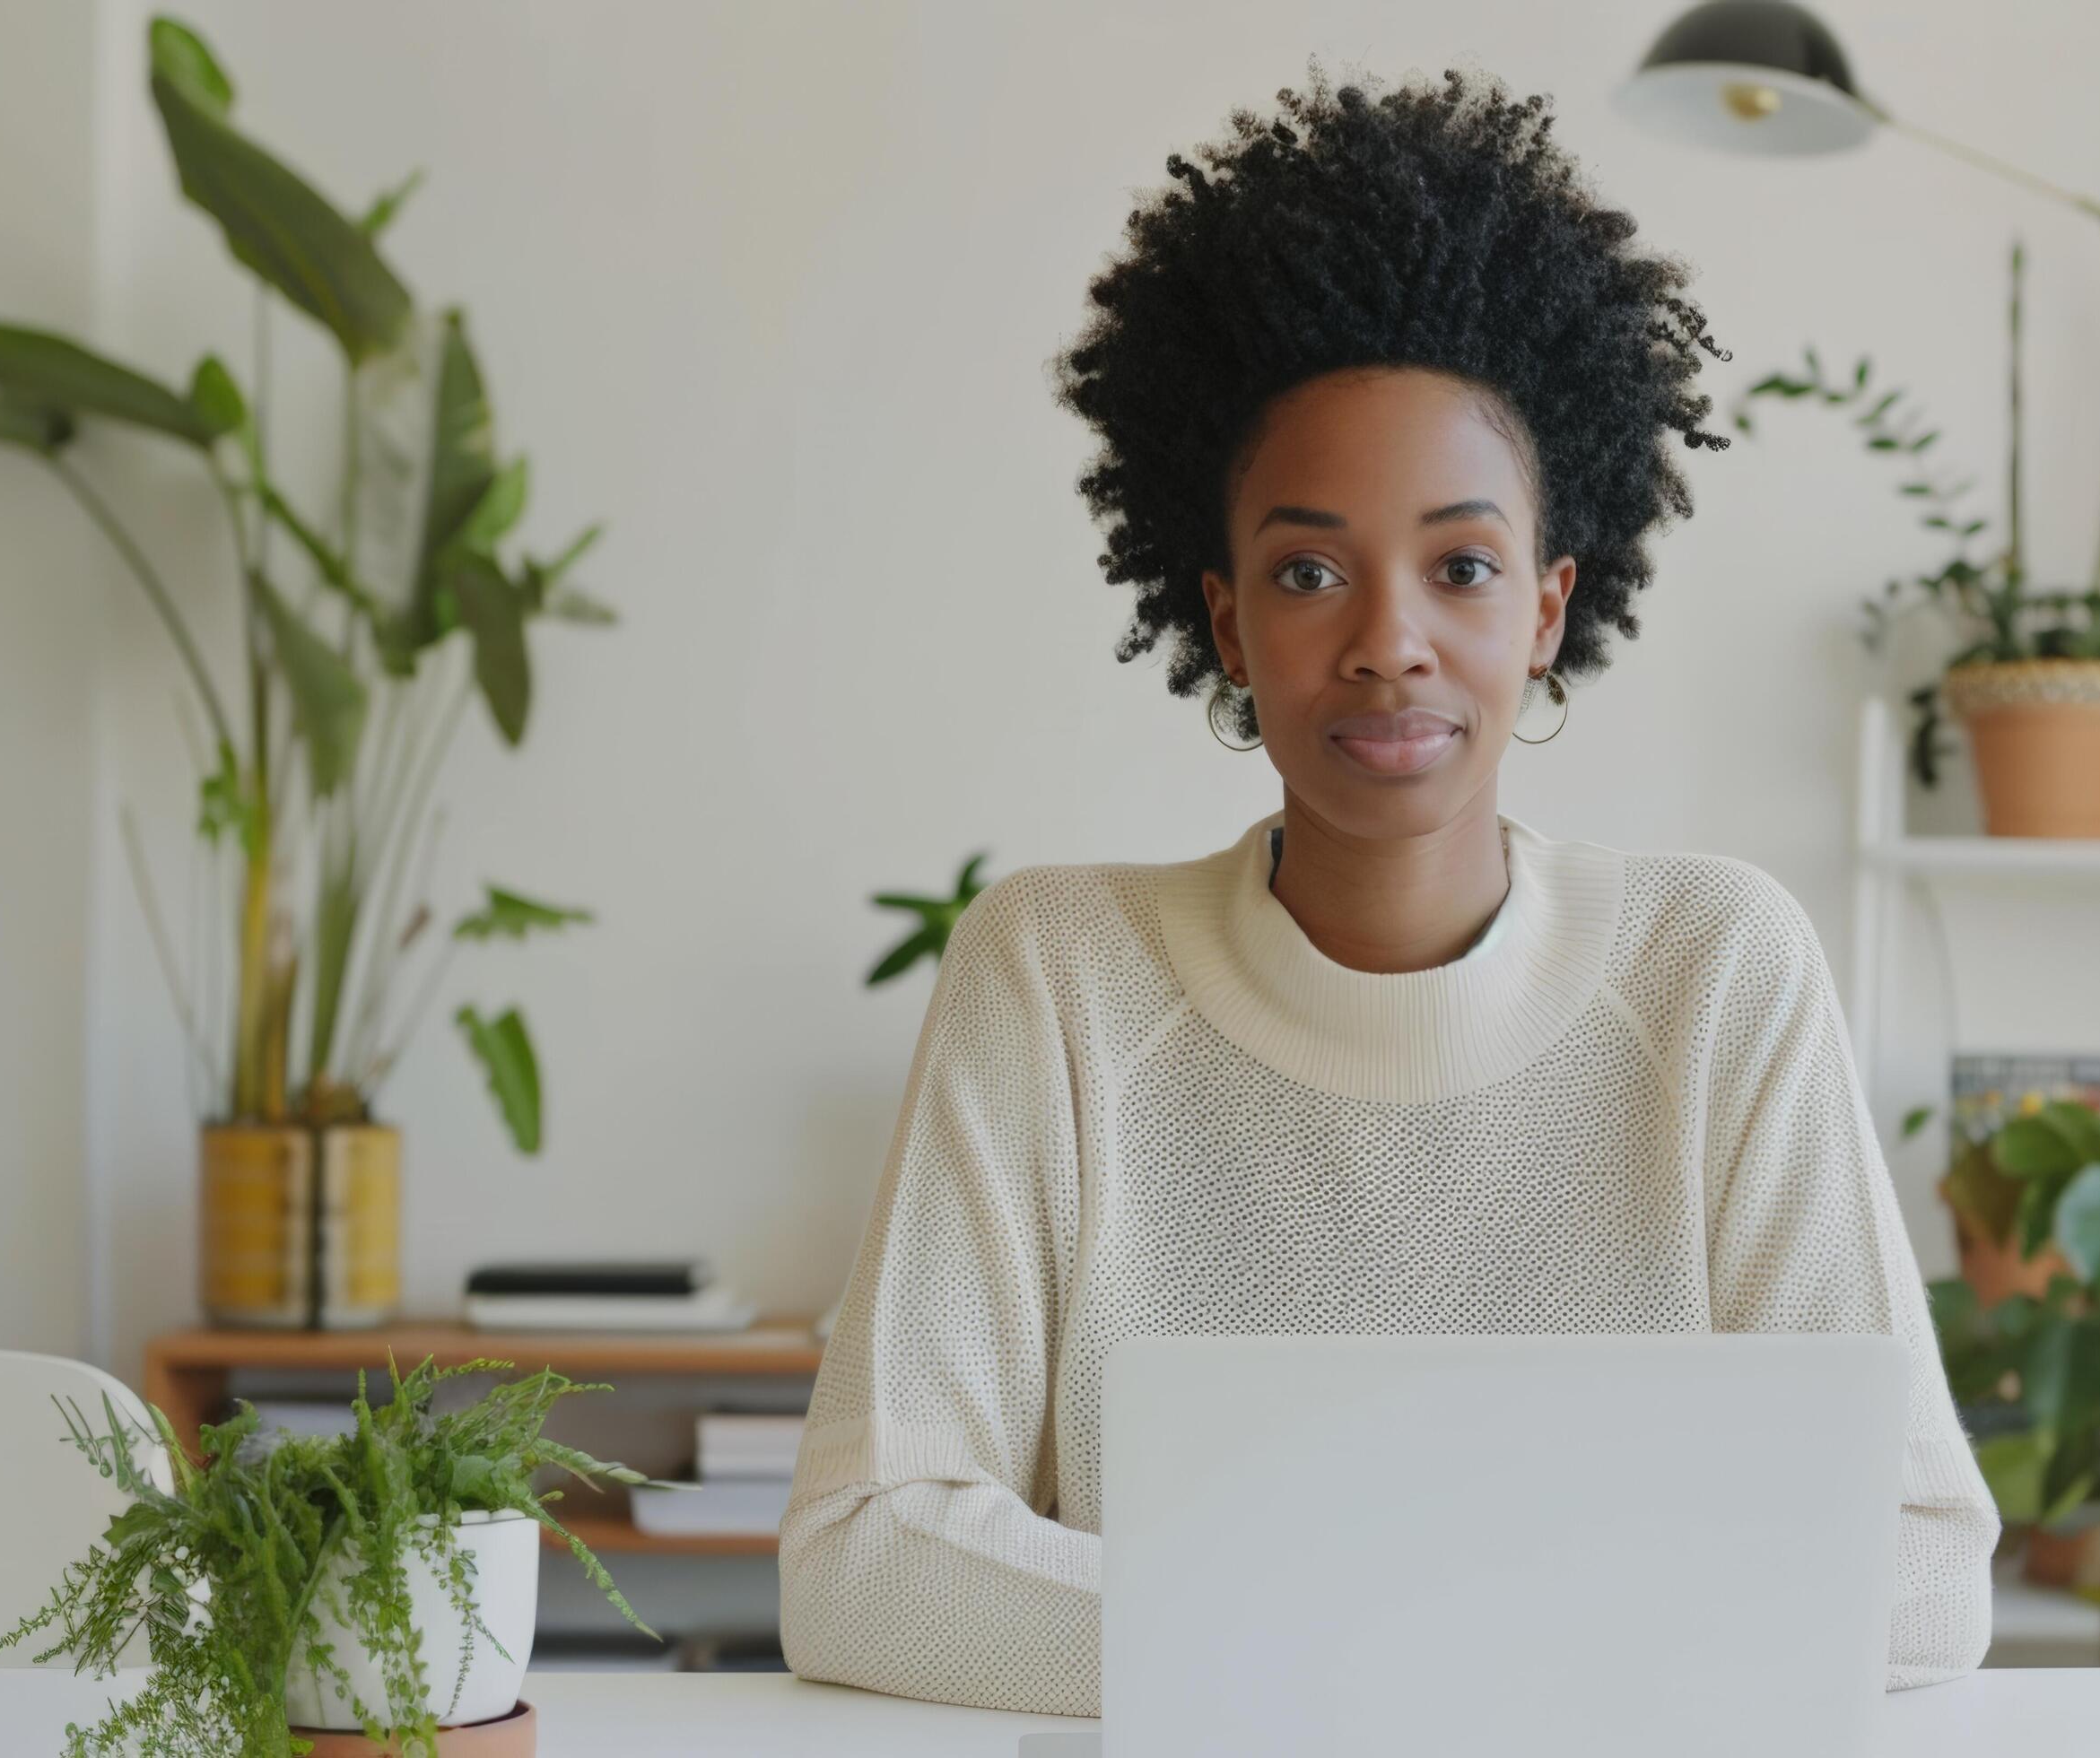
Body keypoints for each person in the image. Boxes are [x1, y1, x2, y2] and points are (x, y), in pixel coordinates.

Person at [779, 60, 1996, 1717]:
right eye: (1305, 571)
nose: (1386, 641)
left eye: (1463, 566)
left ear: (1550, 610)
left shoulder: (1716, 975)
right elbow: (863, 1560)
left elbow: (1922, 1576)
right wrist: (1465, 1644)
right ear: (1222, 624)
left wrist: (1328, 1640)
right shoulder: (1056, 977)